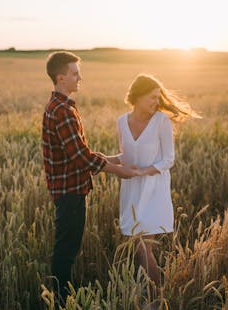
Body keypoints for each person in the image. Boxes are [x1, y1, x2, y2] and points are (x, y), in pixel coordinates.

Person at [42, 51, 136, 305]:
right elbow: (80, 158)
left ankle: (61, 298)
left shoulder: (59, 107)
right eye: (74, 73)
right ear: (61, 78)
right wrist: (119, 171)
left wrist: (114, 158)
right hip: (70, 190)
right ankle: (61, 301)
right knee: (66, 250)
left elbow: (78, 152)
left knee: (66, 248)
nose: (79, 77)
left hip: (68, 187)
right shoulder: (63, 111)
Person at [103, 74, 201, 304]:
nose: (156, 102)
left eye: (158, 97)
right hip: (131, 189)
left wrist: (141, 172)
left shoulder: (161, 121)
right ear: (136, 98)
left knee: (143, 247)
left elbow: (168, 160)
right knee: (140, 247)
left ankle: (156, 299)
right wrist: (105, 160)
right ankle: (153, 295)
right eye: (151, 97)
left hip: (154, 188)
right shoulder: (121, 122)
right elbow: (127, 156)